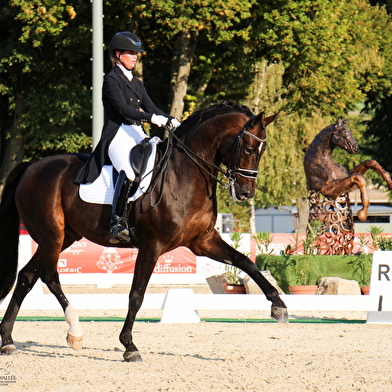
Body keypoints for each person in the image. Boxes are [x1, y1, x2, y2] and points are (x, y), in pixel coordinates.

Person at [74, 31, 180, 244]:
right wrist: (153, 119)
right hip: (117, 134)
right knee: (129, 171)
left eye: (136, 53)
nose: (135, 56)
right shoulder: (111, 80)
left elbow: (151, 107)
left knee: (155, 167)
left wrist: (171, 119)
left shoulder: (138, 83)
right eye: (131, 53)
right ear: (118, 54)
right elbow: (123, 110)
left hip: (136, 133)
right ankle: (117, 222)